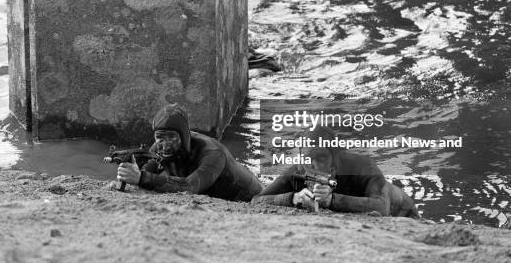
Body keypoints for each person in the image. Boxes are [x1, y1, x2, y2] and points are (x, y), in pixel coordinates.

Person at [252, 127, 419, 217]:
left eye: (322, 158)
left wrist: (331, 200)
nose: (315, 166)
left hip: (403, 212)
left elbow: (382, 207)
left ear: (335, 159)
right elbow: (257, 200)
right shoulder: (299, 170)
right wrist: (294, 198)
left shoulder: (362, 166)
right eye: (309, 159)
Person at [116, 103, 263, 202]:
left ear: (184, 137)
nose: (165, 145)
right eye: (160, 137)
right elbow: (143, 173)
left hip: (253, 196)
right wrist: (128, 172)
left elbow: (190, 187)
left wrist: (141, 177)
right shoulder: (157, 148)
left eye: (172, 138)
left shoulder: (213, 152)